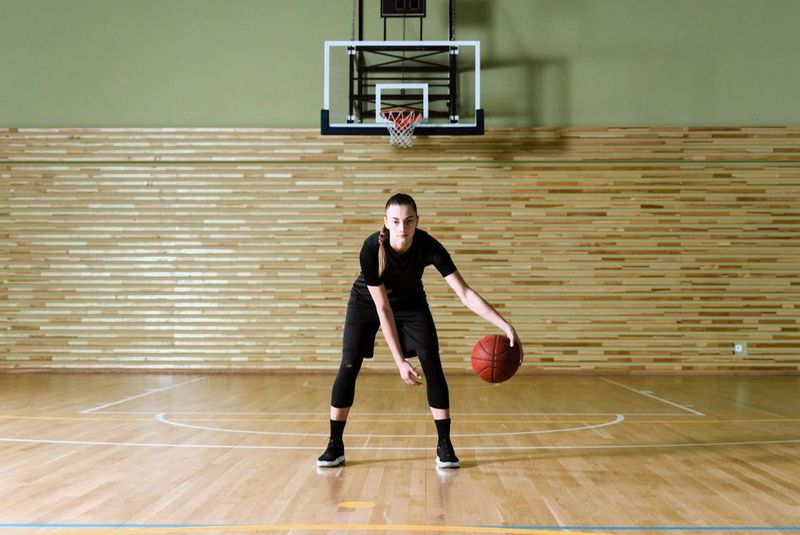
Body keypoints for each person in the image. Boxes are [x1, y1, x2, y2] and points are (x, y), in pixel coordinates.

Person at [317, 193, 520, 469]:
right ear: (386, 222)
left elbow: (464, 292)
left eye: (409, 221)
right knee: (349, 362)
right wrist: (399, 360)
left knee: (432, 362)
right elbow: (383, 308)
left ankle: (444, 444)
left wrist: (504, 325)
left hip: (411, 302)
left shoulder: (428, 245)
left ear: (417, 222)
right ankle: (334, 445)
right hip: (367, 303)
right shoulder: (370, 250)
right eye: (396, 221)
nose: (402, 228)